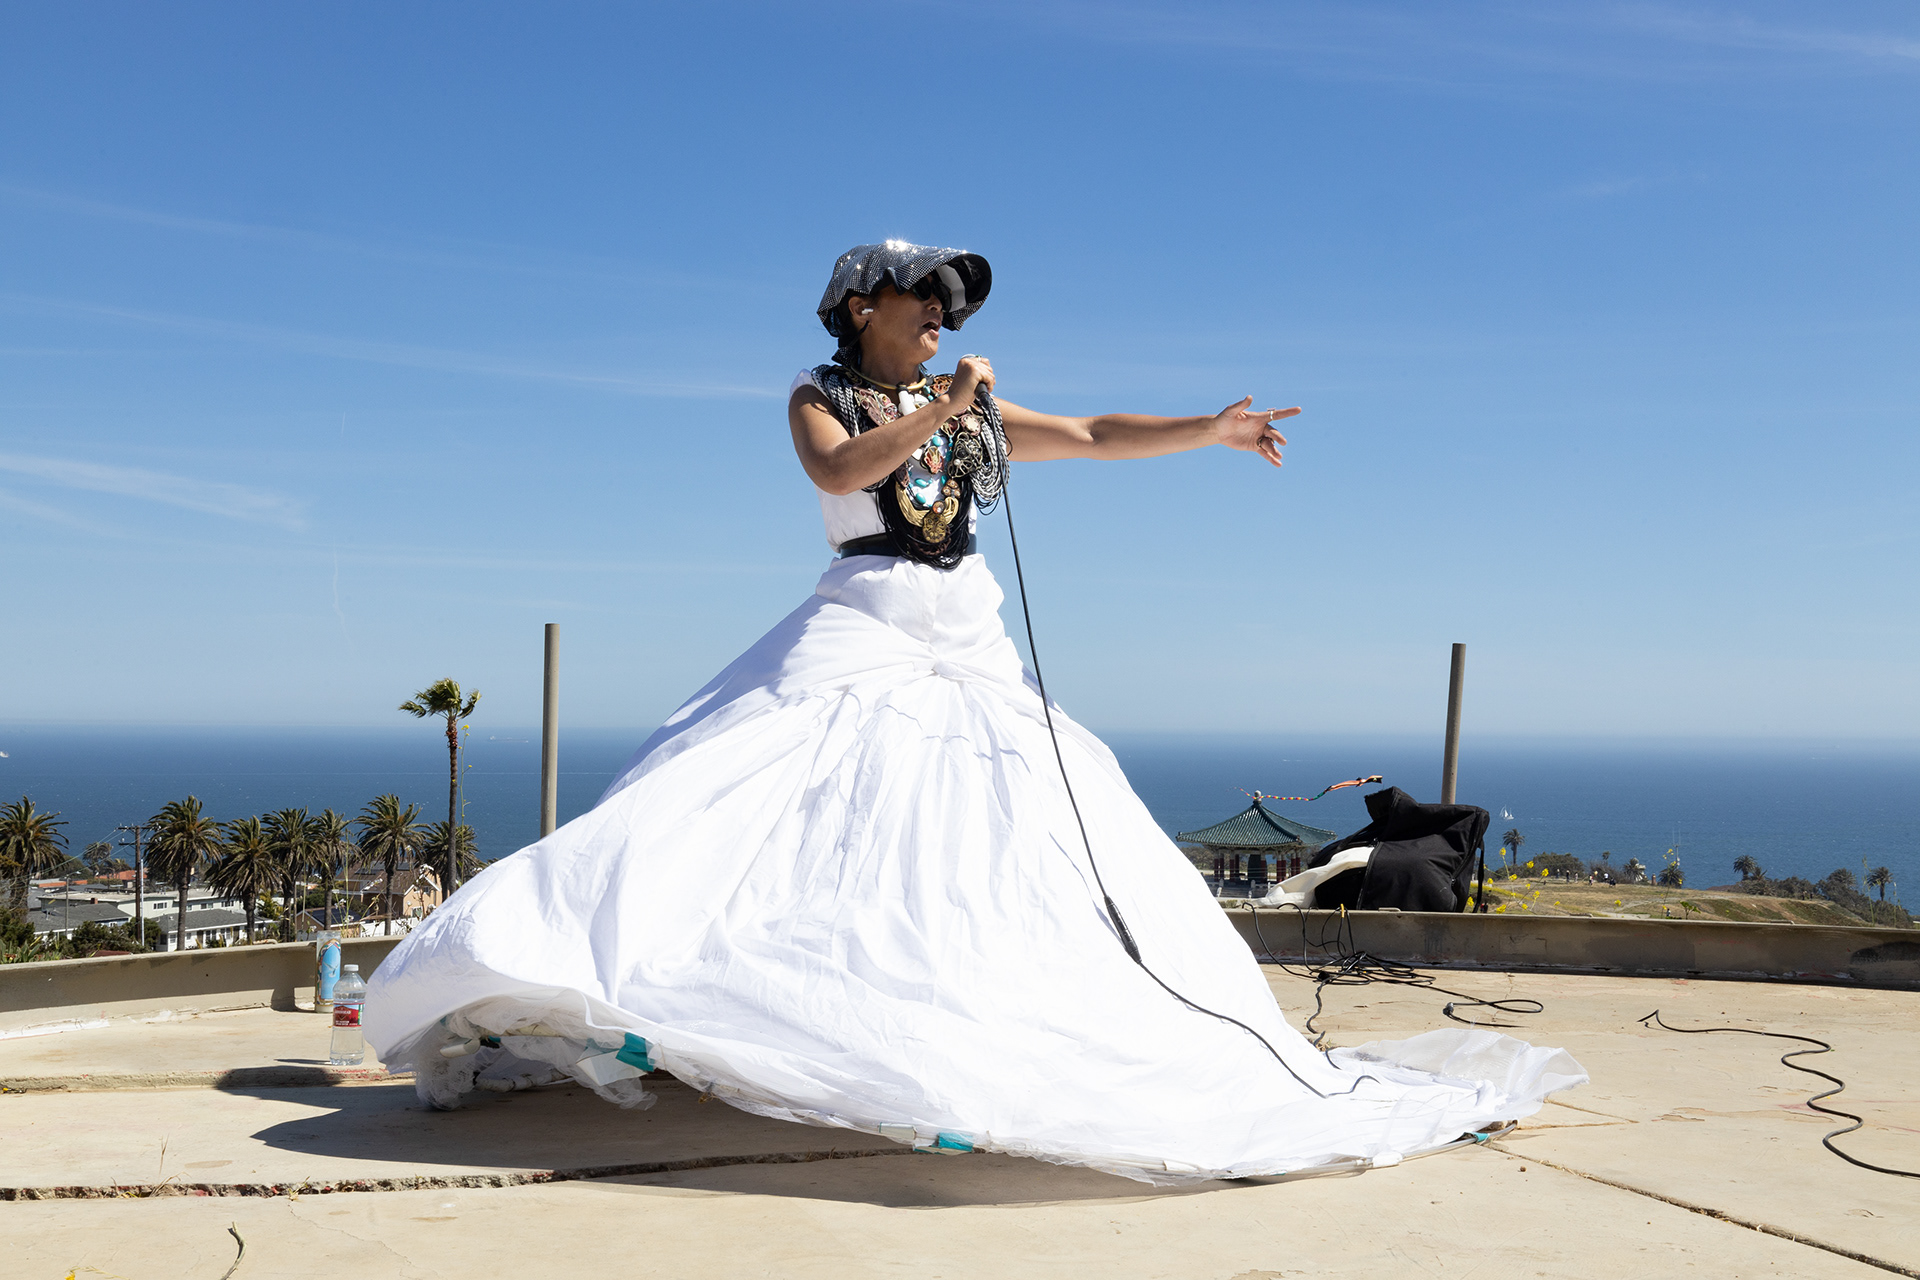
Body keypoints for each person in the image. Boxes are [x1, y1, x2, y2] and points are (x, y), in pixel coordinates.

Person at [364, 240, 1584, 1184]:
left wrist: (1207, 429)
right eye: (924, 296)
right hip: (863, 628)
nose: (943, 315)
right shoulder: (822, 393)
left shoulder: (968, 407)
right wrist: (945, 409)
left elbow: (1092, 433)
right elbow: (841, 471)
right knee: (742, 796)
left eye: (953, 303)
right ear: (861, 306)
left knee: (1023, 828)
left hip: (969, 635)